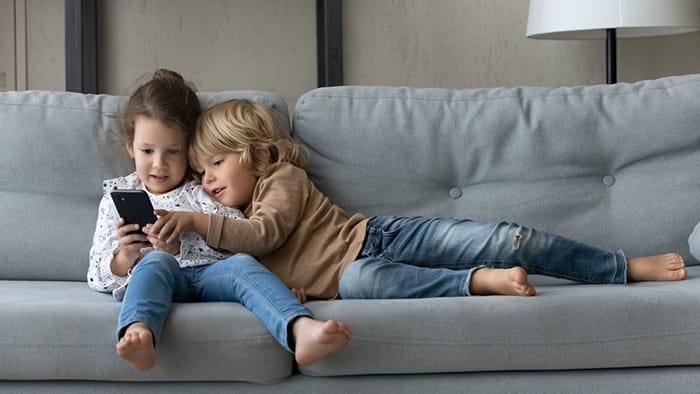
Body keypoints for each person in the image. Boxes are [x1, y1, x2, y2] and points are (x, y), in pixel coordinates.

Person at [147, 98, 687, 303]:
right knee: (372, 283)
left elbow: (265, 235)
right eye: (200, 172)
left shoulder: (282, 177)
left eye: (217, 163)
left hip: (374, 236)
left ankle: (620, 267)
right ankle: (477, 282)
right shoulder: (225, 215)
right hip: (344, 282)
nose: (209, 180)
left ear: (259, 154)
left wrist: (193, 218)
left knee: (504, 238)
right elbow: (242, 270)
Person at [87, 70, 350, 371]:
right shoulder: (116, 198)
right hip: (159, 276)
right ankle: (139, 332)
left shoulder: (204, 189)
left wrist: (180, 243)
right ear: (130, 148)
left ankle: (300, 329)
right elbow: (95, 276)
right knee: (155, 263)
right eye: (147, 151)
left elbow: (244, 240)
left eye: (173, 151)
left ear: (188, 151)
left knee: (240, 266)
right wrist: (124, 256)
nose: (159, 164)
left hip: (212, 275)